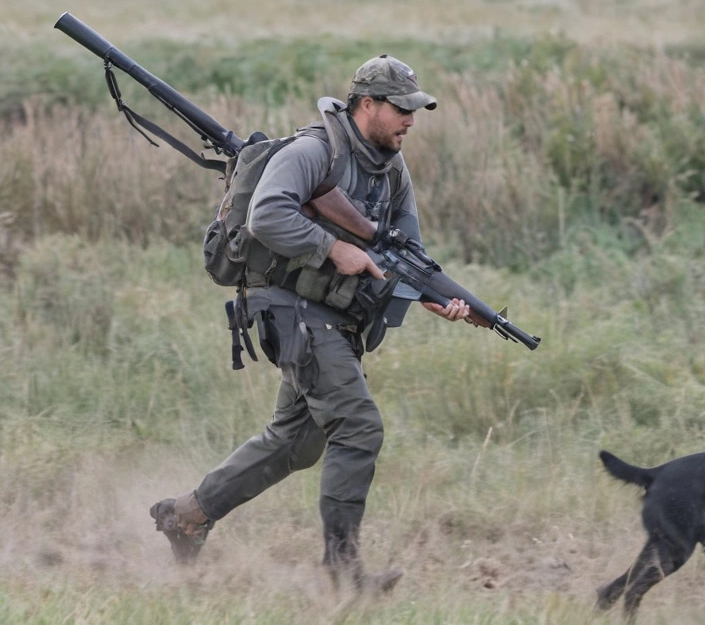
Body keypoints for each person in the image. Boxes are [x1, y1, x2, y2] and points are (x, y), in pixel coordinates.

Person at [150, 55, 471, 593]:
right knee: (359, 426)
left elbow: (405, 251)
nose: (411, 121)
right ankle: (344, 574)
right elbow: (267, 215)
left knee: (297, 443)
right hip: (291, 308)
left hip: (333, 318)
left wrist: (433, 297)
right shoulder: (313, 151)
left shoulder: (392, 169)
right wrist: (332, 246)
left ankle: (187, 515)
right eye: (402, 110)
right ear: (367, 105)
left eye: (415, 111)